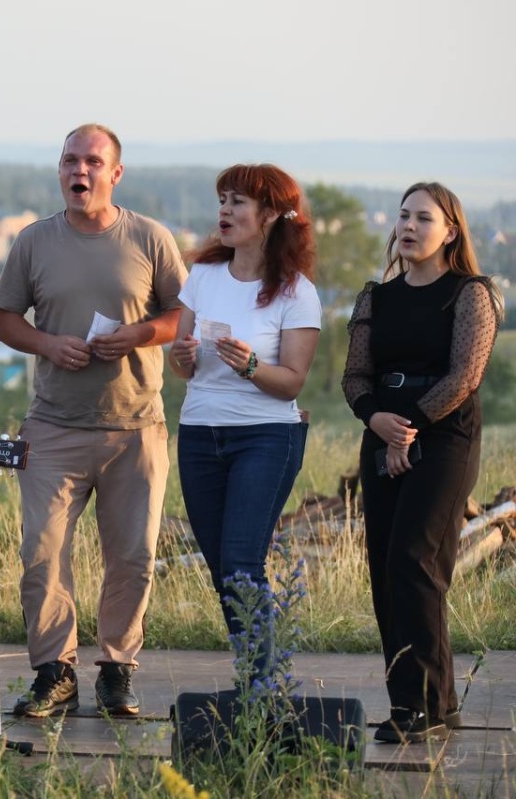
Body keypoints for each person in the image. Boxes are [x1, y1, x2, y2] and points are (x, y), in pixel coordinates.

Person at [0, 123, 186, 718]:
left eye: (93, 162)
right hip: (53, 425)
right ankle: (55, 671)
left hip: (136, 426)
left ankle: (117, 671)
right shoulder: (33, 241)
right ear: (60, 169)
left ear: (115, 173)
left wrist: (139, 334)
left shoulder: (150, 238)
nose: (81, 172)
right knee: (42, 552)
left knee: (132, 555)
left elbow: (185, 314)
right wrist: (48, 345)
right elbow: (3, 320)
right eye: (71, 161)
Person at [342, 182, 502, 744]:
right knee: (386, 569)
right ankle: (409, 704)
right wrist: (374, 419)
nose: (408, 226)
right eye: (403, 216)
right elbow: (355, 375)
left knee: (416, 561)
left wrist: (405, 428)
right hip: (382, 430)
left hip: (443, 437)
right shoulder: (374, 298)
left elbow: (465, 376)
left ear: (450, 231)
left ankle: (433, 705)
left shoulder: (471, 294)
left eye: (423, 218)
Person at [167, 165, 320, 680]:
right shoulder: (203, 277)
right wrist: (183, 354)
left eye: (237, 203)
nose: (224, 212)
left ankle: (261, 688)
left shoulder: (296, 292)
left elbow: (292, 382)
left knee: (241, 563)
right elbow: (180, 365)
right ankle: (261, 679)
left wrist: (251, 365)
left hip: (266, 436)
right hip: (198, 435)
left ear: (271, 215)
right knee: (223, 571)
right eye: (222, 202)